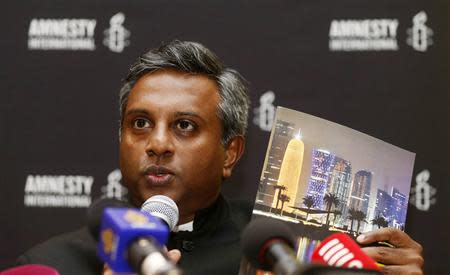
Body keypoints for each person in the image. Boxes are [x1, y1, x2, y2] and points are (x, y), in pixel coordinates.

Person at [17, 40, 423, 275]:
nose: (157, 144)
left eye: (185, 126)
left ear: (230, 153)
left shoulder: (288, 250)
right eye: (140, 124)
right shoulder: (51, 264)